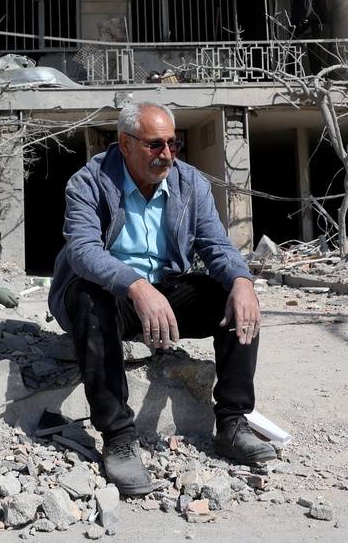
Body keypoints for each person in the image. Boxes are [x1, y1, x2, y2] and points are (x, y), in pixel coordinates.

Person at [48, 102, 274, 496]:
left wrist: (242, 281)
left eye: (173, 143)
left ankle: (233, 423)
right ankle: (118, 437)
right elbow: (83, 251)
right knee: (88, 298)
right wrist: (136, 287)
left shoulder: (190, 183)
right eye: (155, 145)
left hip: (164, 293)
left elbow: (216, 243)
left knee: (232, 295)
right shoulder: (89, 181)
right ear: (125, 144)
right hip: (110, 294)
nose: (167, 155)